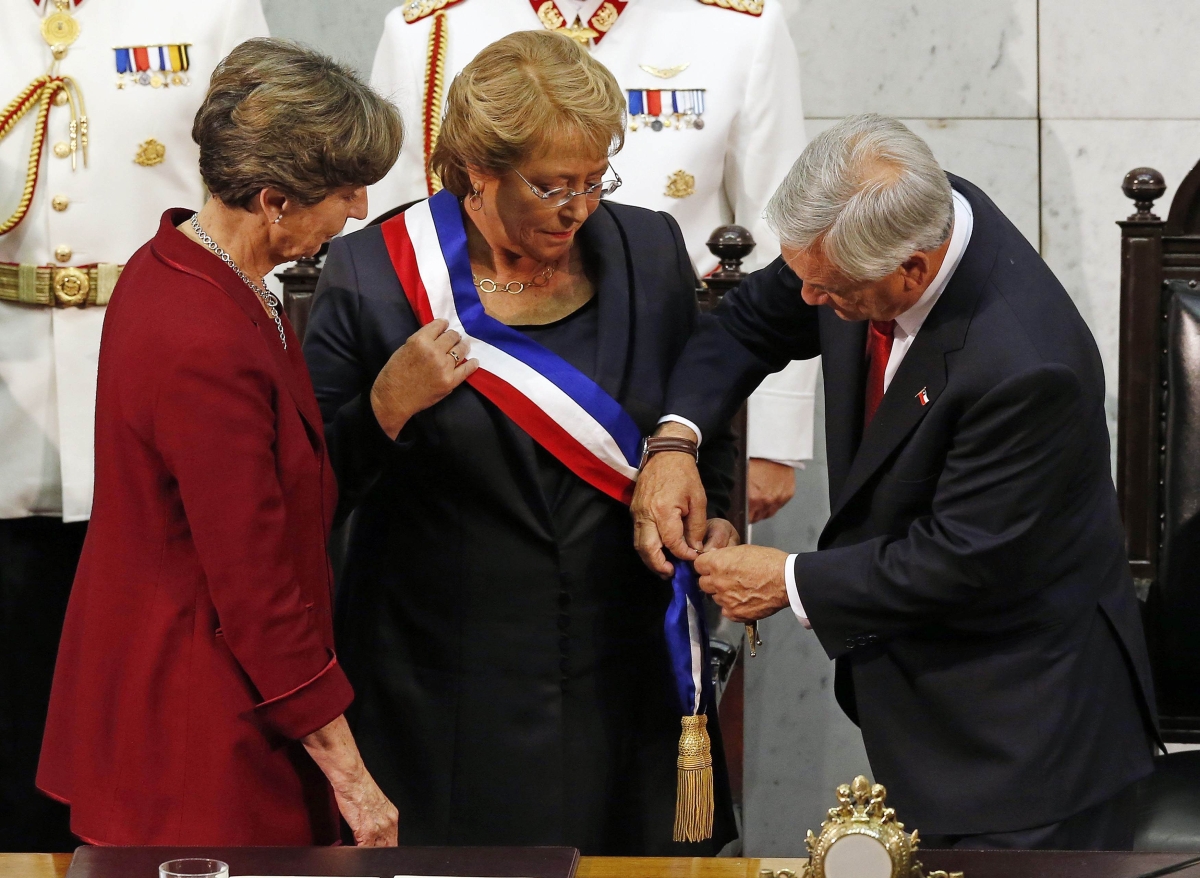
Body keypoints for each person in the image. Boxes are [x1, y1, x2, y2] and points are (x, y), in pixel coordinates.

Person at [631, 114, 1160, 850]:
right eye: (803, 277)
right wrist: (675, 441)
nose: (807, 301)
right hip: (919, 704)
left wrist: (787, 580)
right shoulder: (872, 225)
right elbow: (750, 323)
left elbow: (961, 558)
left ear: (912, 270)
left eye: (828, 290)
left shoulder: (1026, 366)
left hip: (1023, 740)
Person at [304, 31, 739, 854]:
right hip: (443, 698)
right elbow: (309, 489)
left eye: (595, 179)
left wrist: (710, 507)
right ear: (478, 171)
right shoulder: (374, 275)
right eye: (551, 186)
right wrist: (385, 407)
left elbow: (700, 416)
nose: (578, 208)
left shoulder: (648, 251)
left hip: (624, 686)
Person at [36, 39, 403, 847]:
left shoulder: (176, 265)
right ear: (274, 201)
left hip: (196, 698)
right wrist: (354, 779)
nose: (359, 210)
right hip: (199, 735)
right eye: (346, 190)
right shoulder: (203, 337)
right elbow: (255, 584)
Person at [364, 0, 818, 523]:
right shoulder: (429, 30)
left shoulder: (740, 28)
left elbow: (783, 234)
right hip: (471, 392)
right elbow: (391, 234)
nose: (577, 208)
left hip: (668, 376)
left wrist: (771, 438)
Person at [0, 0, 268, 852]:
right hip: (10, 402)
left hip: (163, 380)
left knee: (158, 689)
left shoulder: (212, 9)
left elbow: (262, 199)